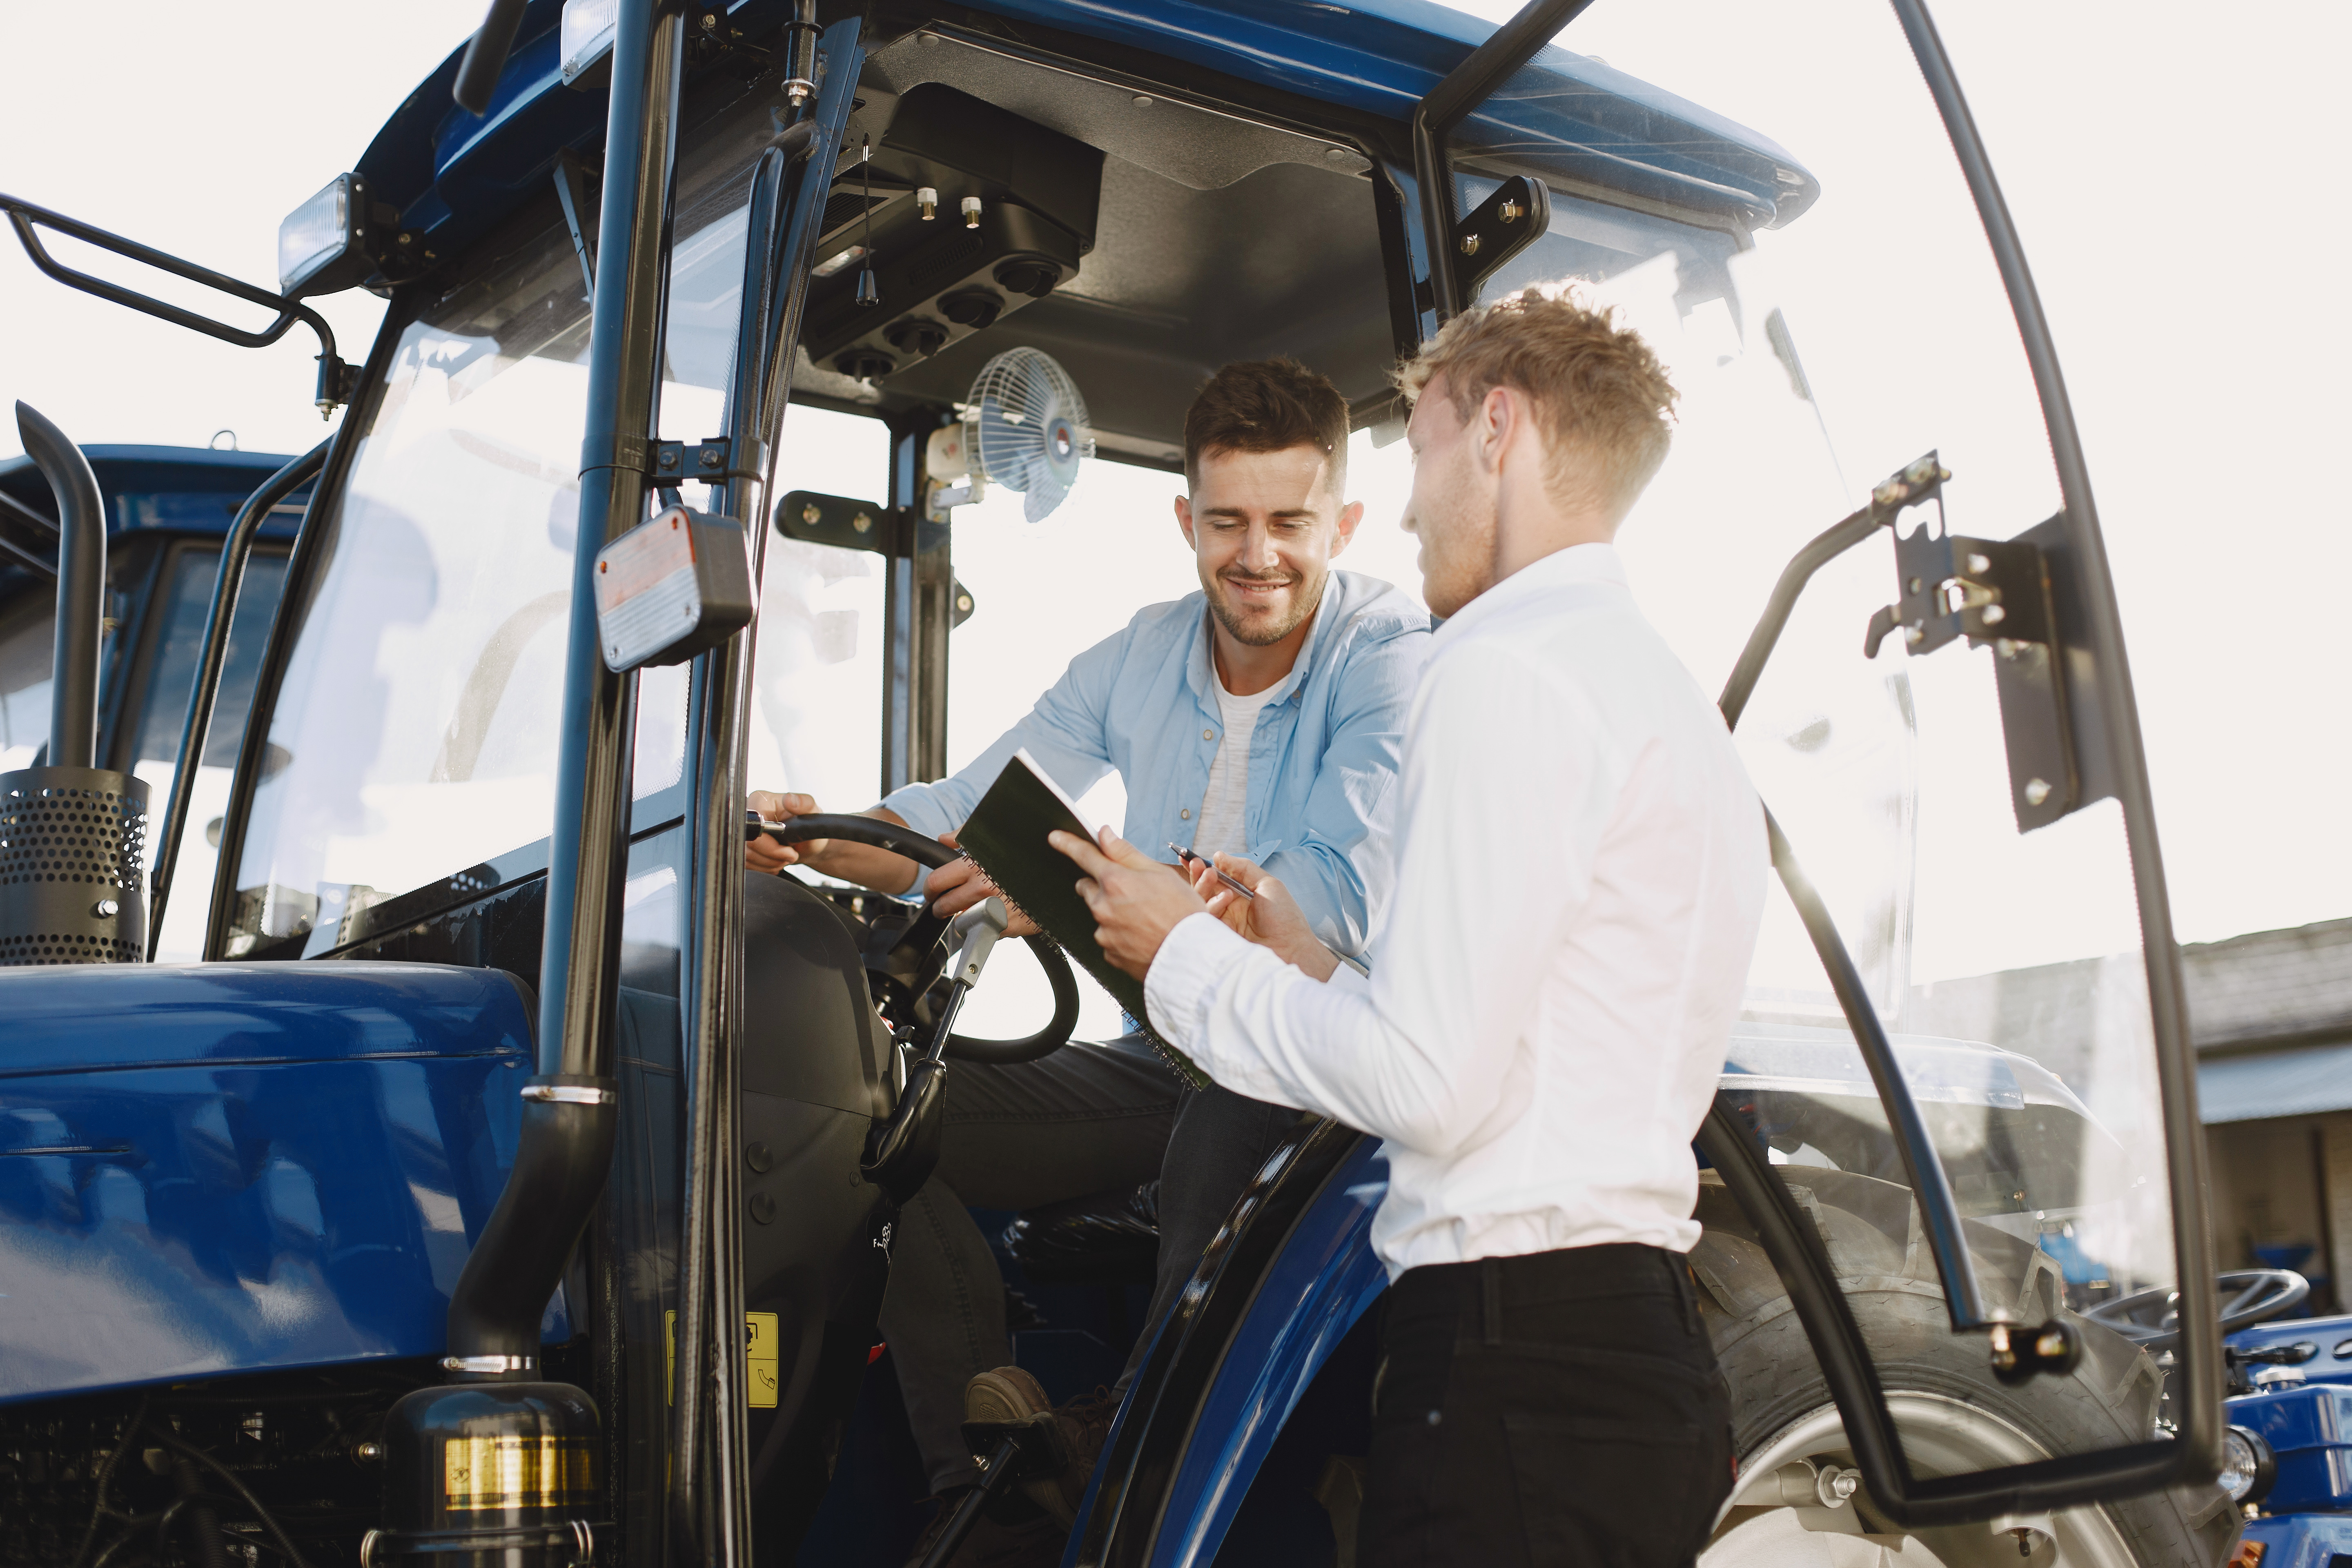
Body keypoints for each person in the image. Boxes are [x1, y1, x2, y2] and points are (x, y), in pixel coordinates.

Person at [1054, 285, 1768, 1568]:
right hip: (1618, 1356)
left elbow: (1426, 1086)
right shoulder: (1651, 687)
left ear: (1497, 429)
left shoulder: (1500, 669)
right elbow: (1519, 1035)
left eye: (1423, 449)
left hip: (1508, 1368)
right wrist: (1310, 962)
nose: (1418, 497)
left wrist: (1189, 954)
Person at [743, 358, 1429, 1562]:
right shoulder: (1141, 654)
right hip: (1164, 1055)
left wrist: (1060, 893)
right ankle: (995, 1499)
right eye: (1227, 523)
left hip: (1323, 1076)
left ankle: (1136, 1460)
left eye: (1288, 524)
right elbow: (963, 816)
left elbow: (1314, 894)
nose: (1255, 554)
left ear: (1345, 525)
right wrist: (816, 837)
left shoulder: (1389, 658)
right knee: (878, 1123)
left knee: (1232, 1115)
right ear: (1186, 521)